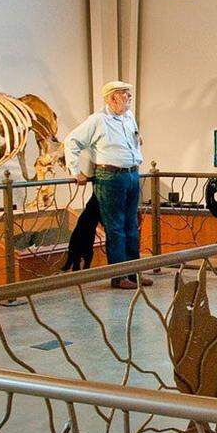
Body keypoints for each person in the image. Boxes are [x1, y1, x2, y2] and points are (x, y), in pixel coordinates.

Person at [64, 81, 152, 289]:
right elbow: (72, 141)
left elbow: (134, 139)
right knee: (116, 228)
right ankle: (119, 276)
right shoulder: (98, 120)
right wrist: (75, 171)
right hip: (110, 177)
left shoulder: (128, 117)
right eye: (125, 94)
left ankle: (134, 273)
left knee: (131, 227)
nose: (129, 97)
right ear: (112, 98)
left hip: (131, 175)